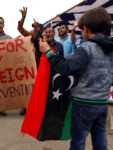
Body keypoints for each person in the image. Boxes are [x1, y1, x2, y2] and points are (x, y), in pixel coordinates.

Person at [39, 7, 113, 150]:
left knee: (78, 142)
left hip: (84, 105)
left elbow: (66, 68)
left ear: (85, 29)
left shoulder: (86, 48)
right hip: (102, 104)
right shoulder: (111, 50)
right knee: (100, 141)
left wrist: (48, 52)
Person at [18, 7, 44, 115]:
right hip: (27, 65)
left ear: (41, 30)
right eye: (34, 27)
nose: (35, 29)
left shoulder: (43, 39)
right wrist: (23, 18)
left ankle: (35, 107)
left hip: (37, 65)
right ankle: (24, 106)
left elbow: (43, 53)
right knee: (26, 86)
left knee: (36, 87)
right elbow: (20, 29)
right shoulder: (29, 35)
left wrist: (36, 52)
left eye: (37, 27)